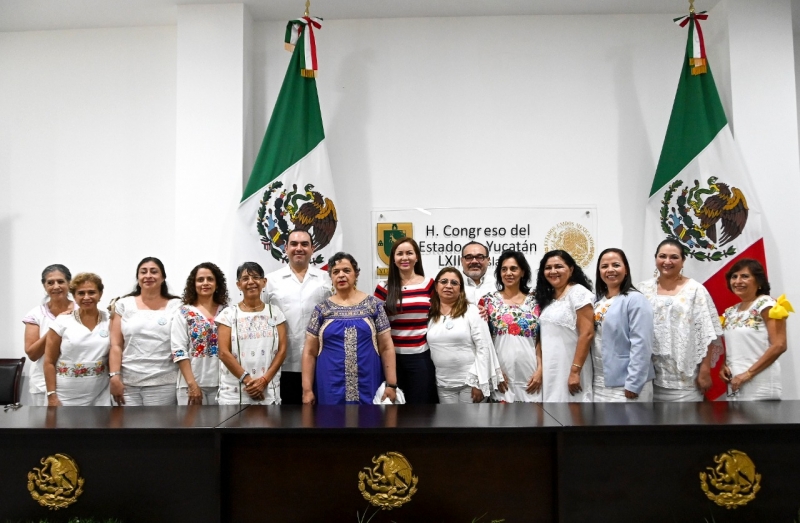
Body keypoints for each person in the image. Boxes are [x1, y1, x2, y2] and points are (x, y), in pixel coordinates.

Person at [302, 253, 398, 405]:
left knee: (369, 424)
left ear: (356, 274)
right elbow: (309, 352)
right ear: (331, 277)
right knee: (331, 423)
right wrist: (307, 390)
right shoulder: (321, 310)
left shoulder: (374, 306)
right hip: (330, 385)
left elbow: (386, 347)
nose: (341, 275)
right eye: (336, 272)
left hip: (368, 382)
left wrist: (391, 384)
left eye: (346, 271)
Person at [638, 239, 722, 402]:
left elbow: (707, 332)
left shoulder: (696, 290)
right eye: (662, 256)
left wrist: (705, 370)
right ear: (656, 259)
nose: (667, 262)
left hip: (685, 380)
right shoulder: (642, 289)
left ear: (683, 261)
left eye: (674, 257)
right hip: (648, 379)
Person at [266, 230, 332, 405]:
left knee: (320, 418)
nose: (299, 248)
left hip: (320, 361)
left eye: (304, 244)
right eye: (294, 244)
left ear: (312, 248)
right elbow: (264, 319)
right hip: (283, 363)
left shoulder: (326, 279)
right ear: (286, 248)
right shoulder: (271, 281)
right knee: (288, 420)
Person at [109, 257, 181, 406]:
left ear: (163, 278)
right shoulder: (123, 304)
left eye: (154, 272)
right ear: (138, 277)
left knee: (158, 429)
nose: (148, 276)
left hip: (164, 383)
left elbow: (181, 344)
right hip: (127, 384)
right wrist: (114, 376)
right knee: (128, 429)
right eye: (143, 272)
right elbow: (116, 345)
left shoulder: (176, 305)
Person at [374, 237, 438, 404]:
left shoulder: (429, 284)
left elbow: (444, 312)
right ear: (393, 259)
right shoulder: (383, 287)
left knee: (420, 409)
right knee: (392, 412)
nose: (405, 258)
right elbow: (375, 323)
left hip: (421, 357)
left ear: (417, 257)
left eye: (409, 253)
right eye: (399, 254)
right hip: (391, 358)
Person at [427, 267, 503, 403]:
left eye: (454, 283)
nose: (448, 286)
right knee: (449, 424)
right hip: (443, 385)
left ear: (461, 289)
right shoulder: (430, 314)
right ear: (436, 286)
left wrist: (479, 382)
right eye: (444, 281)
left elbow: (483, 348)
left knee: (472, 424)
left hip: (470, 384)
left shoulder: (473, 311)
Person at [217, 262, 287, 405]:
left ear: (264, 282)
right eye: (245, 278)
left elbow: (282, 350)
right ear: (238, 285)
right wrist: (249, 381)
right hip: (235, 394)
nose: (251, 282)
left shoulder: (275, 313)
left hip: (268, 390)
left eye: (255, 277)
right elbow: (223, 352)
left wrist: (264, 381)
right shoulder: (228, 314)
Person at [720, 259, 790, 400]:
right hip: (735, 383)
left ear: (759, 282)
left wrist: (748, 374)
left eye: (745, 276)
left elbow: (779, 345)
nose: (738, 281)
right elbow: (735, 345)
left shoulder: (767, 304)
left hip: (760, 384)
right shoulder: (730, 312)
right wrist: (724, 365)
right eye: (734, 276)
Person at [592, 248, 655, 402]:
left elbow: (642, 343)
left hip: (627, 384)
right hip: (599, 382)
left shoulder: (635, 299)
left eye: (616, 265)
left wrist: (634, 382)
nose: (610, 270)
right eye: (604, 266)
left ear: (625, 269)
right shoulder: (597, 302)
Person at [536, 250, 595, 403]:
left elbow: (587, 334)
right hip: (552, 370)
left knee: (573, 417)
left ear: (571, 269)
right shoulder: (548, 298)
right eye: (548, 268)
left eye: (559, 266)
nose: (553, 271)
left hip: (571, 370)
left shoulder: (578, 293)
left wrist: (575, 371)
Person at [43, 273, 110, 406]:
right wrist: (52, 396)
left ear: (100, 294)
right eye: (81, 293)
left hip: (100, 395)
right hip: (65, 397)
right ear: (74, 296)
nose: (86, 297)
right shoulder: (62, 322)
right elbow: (49, 362)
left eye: (92, 292)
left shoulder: (110, 320)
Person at [482, 251, 541, 402]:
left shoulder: (537, 300)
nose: (508, 273)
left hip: (531, 374)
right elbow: (483, 342)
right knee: (502, 422)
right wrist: (495, 371)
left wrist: (541, 370)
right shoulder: (488, 301)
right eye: (504, 269)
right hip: (501, 376)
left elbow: (543, 339)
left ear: (522, 272)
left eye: (513, 269)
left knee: (532, 421)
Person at [171, 262, 229, 405]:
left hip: (224, 385)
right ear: (193, 284)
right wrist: (192, 385)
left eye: (210, 279)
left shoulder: (228, 312)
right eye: (200, 280)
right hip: (191, 386)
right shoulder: (183, 312)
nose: (205, 283)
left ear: (217, 284)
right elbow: (178, 351)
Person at [22, 264, 74, 406]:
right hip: (42, 384)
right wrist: (56, 325)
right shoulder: (35, 315)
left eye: (60, 281)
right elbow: (32, 354)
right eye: (50, 283)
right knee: (45, 426)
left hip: (76, 383)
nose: (56, 286)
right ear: (44, 286)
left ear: (69, 283)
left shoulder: (81, 311)